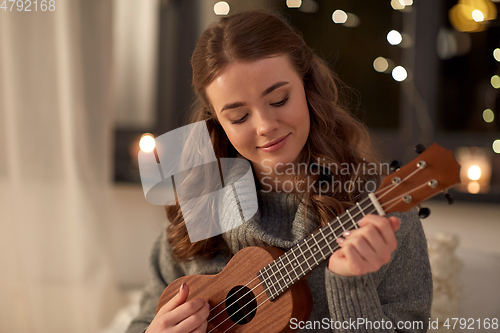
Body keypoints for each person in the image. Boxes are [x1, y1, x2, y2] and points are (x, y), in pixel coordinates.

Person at [126, 10, 432, 333]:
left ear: (307, 88)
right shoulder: (201, 205)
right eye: (240, 117)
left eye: (279, 99)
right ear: (218, 123)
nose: (265, 126)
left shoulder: (381, 208)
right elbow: (144, 319)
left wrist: (352, 288)